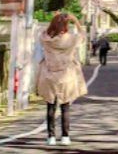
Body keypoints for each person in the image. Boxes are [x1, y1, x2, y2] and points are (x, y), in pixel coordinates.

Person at [37, 12, 87, 146]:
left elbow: (42, 32)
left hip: (49, 75)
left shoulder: (46, 40)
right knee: (65, 107)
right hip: (67, 75)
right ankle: (65, 136)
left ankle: (51, 136)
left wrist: (54, 21)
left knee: (51, 106)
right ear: (66, 26)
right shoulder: (71, 39)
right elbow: (82, 36)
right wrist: (75, 20)